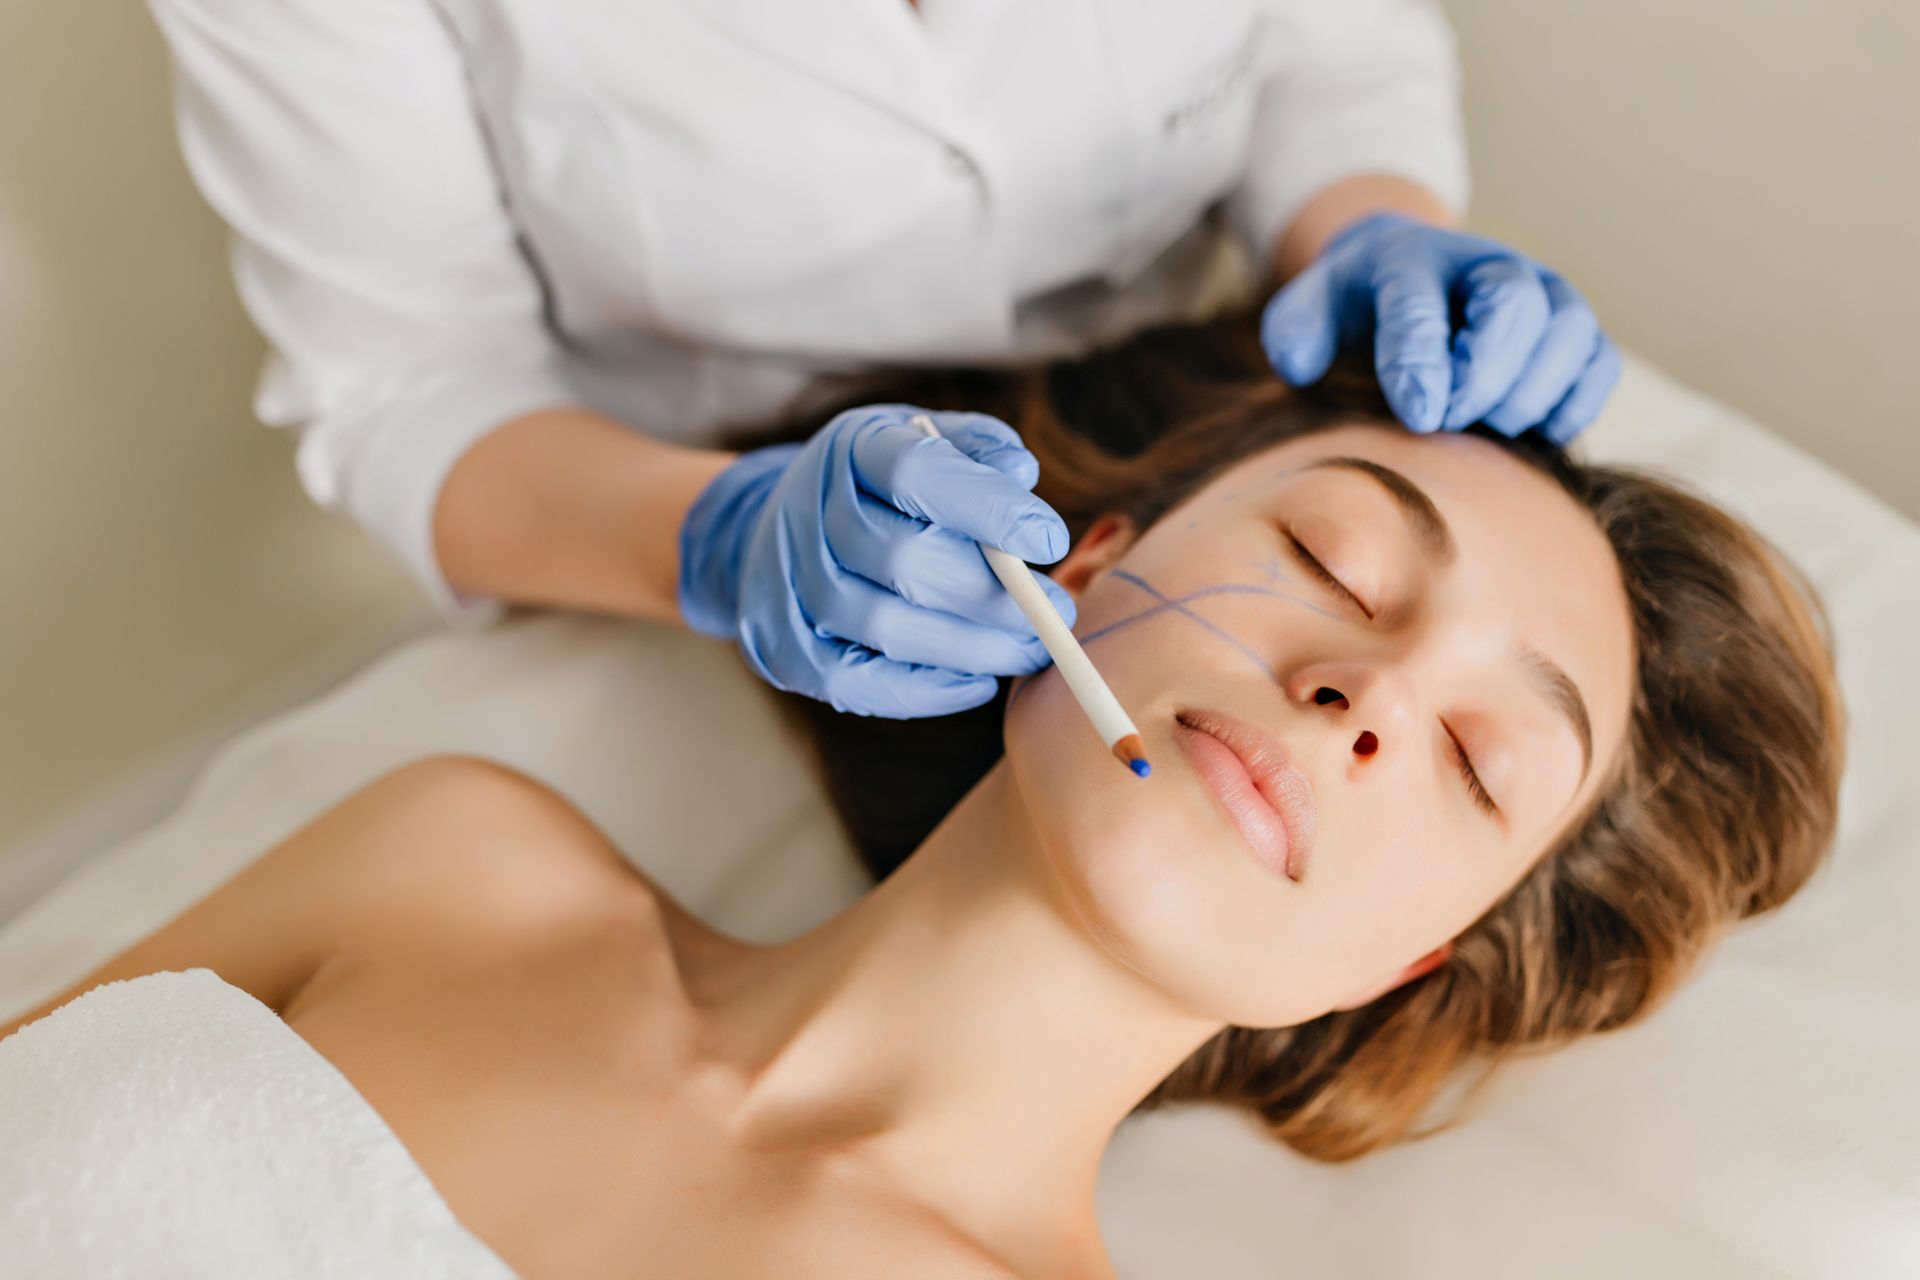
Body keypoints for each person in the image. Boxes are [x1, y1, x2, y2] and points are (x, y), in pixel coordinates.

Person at [0, 312, 1840, 1277]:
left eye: (1471, 763)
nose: (1363, 694)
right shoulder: (447, 863)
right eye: (1336, 556)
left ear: (1409, 964)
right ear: (1084, 557)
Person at [145, 0, 1623, 718]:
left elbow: (1328, 42)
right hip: (673, 500)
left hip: (1198, 394)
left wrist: (1365, 222)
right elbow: (405, 384)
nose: (1355, 710)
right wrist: (725, 538)